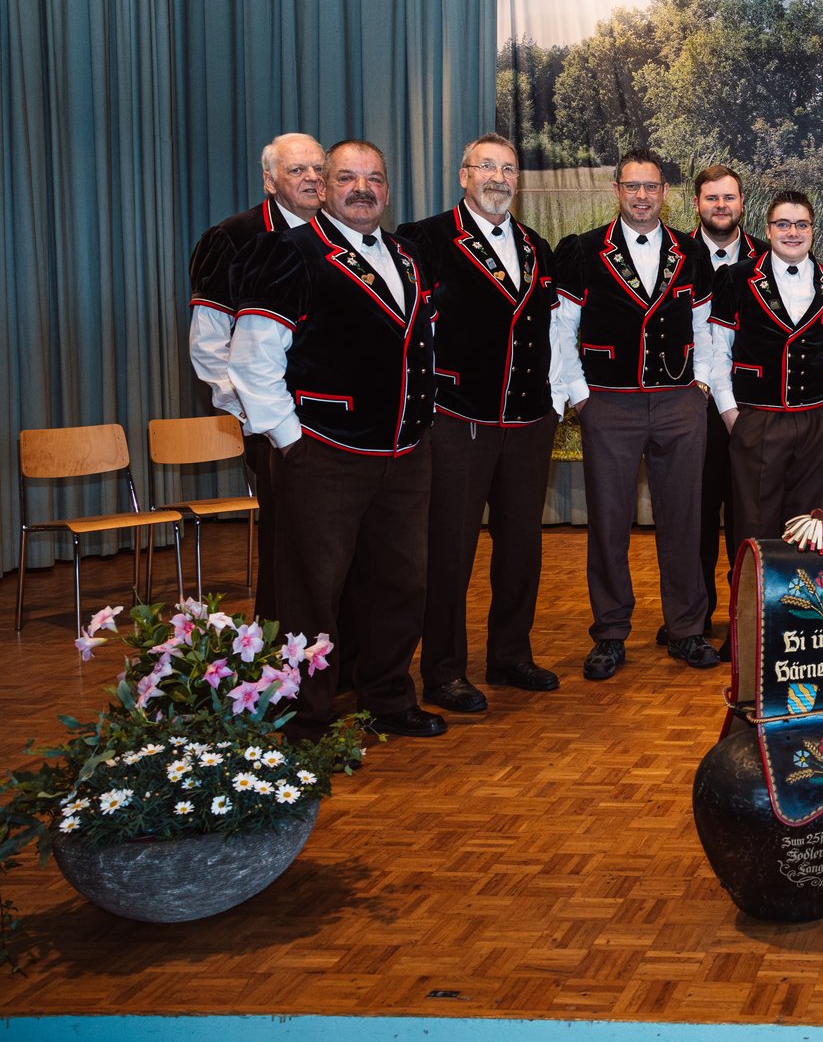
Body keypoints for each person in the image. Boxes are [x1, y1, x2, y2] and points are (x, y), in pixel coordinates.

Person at [228, 140, 443, 737]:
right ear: (323, 187)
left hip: (405, 453)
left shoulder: (408, 256)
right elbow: (252, 360)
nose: (362, 189)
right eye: (347, 177)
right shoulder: (288, 252)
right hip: (324, 453)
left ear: (388, 189)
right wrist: (290, 439)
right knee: (312, 592)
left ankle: (388, 698)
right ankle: (303, 713)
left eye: (374, 178)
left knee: (401, 583)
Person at [395, 134, 561, 715]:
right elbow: (409, 328)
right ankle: (443, 671)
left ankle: (510, 654)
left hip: (529, 418)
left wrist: (554, 401)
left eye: (508, 168)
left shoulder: (537, 246)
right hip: (457, 418)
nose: (498, 177)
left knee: (521, 548)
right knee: (450, 550)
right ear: (463, 175)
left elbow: (550, 330)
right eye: (486, 166)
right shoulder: (425, 239)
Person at [551, 150, 721, 679]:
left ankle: (687, 628)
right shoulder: (582, 250)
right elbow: (562, 328)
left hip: (679, 402)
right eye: (632, 186)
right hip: (608, 403)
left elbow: (705, 326)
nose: (642, 196)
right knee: (608, 523)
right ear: (617, 190)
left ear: (665, 192)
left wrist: (701, 385)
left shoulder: (691, 252)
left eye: (651, 187)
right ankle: (609, 633)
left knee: (684, 519)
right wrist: (580, 394)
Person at [186, 131, 326, 619]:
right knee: (289, 546)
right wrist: (258, 419)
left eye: (319, 168)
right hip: (275, 427)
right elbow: (209, 345)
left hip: (339, 426)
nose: (311, 178)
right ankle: (284, 652)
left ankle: (338, 653)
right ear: (270, 181)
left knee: (338, 546)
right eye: (297, 170)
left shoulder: (341, 232)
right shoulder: (233, 238)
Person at [699, 189, 823, 557]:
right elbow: (719, 351)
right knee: (755, 527)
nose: (792, 232)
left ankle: (804, 596)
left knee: (811, 527)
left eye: (801, 224)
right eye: (783, 224)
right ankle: (753, 596)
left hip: (819, 421)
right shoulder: (735, 278)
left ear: (812, 230)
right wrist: (731, 413)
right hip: (757, 418)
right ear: (768, 230)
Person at [685, 165, 765, 641]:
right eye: (711, 197)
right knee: (694, 516)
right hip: (691, 408)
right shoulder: (677, 254)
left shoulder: (767, 257)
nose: (721, 205)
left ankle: (747, 620)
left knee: (747, 517)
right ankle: (693, 619)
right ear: (696, 202)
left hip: (749, 411)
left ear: (742, 203)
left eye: (729, 197)